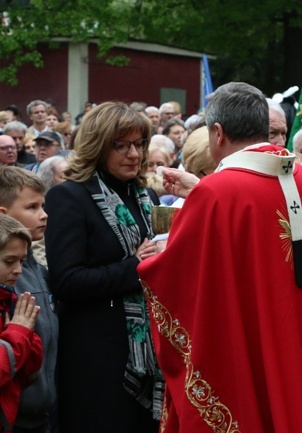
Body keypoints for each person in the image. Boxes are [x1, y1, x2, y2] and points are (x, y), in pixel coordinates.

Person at [137, 82, 302, 433]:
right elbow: (258, 232)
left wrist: (147, 263)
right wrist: (200, 192)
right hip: (299, 328)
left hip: (252, 336)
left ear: (217, 133)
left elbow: (180, 274)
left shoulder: (218, 191)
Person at [44, 102, 163, 433]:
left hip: (148, 353)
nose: (134, 154)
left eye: (139, 144)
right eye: (121, 145)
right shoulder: (69, 197)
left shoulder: (146, 197)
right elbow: (67, 281)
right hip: (95, 359)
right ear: (98, 146)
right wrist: (135, 268)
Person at [0, 166, 59, 433]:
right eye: (32, 207)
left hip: (43, 413)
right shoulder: (8, 279)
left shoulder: (38, 271)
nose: (44, 215)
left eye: (43, 205)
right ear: (4, 215)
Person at [0, 213, 43, 433]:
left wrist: (28, 336)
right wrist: (18, 334)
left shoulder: (9, 299)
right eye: (9, 261)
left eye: (22, 261)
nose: (18, 269)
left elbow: (28, 371)